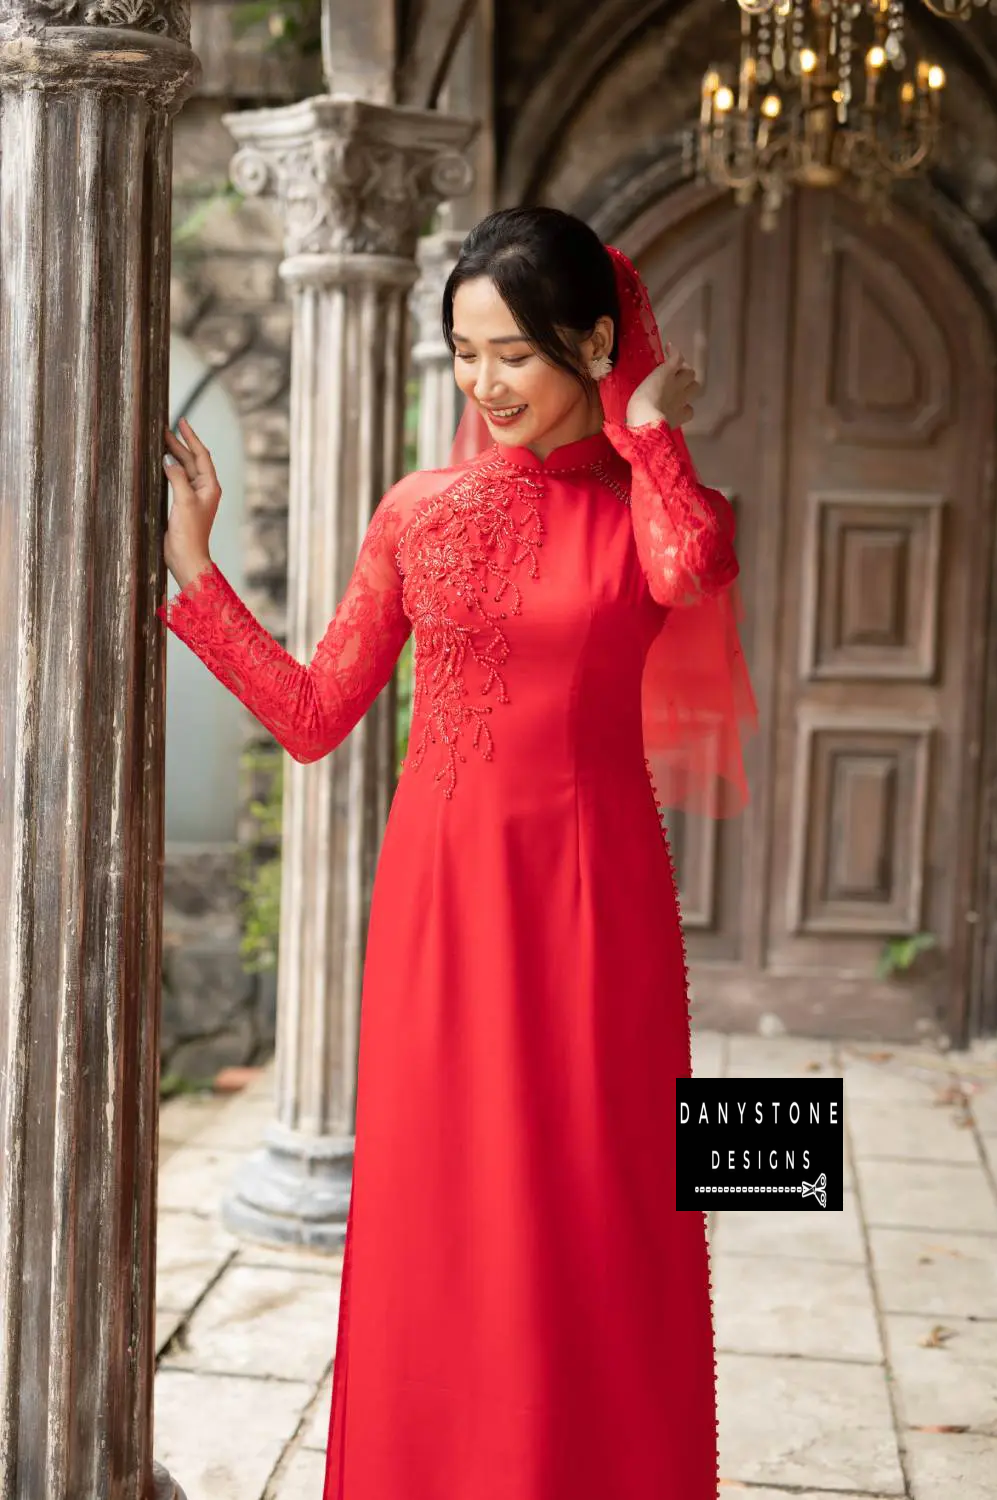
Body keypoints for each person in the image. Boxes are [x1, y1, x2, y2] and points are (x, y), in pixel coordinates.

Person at [160, 206, 756, 1500]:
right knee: (450, 1213)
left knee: (595, 1207)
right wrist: (197, 579)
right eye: (464, 353)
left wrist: (648, 426)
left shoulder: (648, 510)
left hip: (597, 896)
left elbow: (695, 566)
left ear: (592, 345)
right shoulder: (421, 510)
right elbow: (316, 718)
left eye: (516, 355)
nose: (484, 383)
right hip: (441, 900)